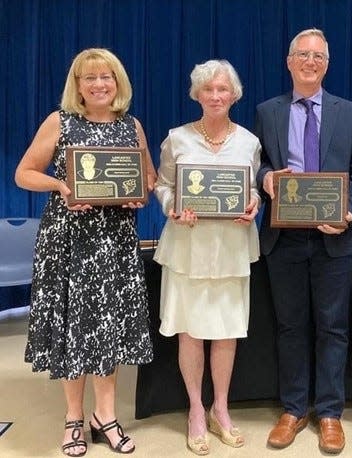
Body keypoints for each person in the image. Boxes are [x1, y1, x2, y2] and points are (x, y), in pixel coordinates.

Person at [14, 48, 156, 456]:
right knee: (72, 331)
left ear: (118, 82)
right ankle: (74, 418)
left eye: (106, 77)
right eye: (89, 78)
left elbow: (146, 177)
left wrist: (139, 194)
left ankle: (105, 417)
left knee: (106, 330)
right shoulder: (60, 122)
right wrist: (61, 187)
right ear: (77, 85)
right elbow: (23, 173)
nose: (98, 84)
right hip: (68, 243)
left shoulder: (132, 125)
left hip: (114, 243)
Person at [255, 28, 352, 454]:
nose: (310, 61)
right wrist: (266, 178)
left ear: (327, 63)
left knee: (333, 327)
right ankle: (292, 408)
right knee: (289, 326)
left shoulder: (350, 111)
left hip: (335, 239)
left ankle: (329, 413)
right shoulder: (267, 111)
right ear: (289, 62)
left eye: (318, 56)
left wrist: (349, 211)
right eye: (302, 54)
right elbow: (259, 162)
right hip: (283, 238)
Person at [153, 59, 261, 455]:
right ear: (197, 94)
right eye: (208, 89)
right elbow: (163, 186)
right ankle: (196, 409)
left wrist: (253, 204)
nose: (216, 96)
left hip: (232, 248)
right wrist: (171, 207)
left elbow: (252, 191)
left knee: (227, 330)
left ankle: (221, 408)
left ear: (234, 95)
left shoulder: (249, 141)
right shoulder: (176, 138)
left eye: (223, 89)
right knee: (191, 331)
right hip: (188, 246)